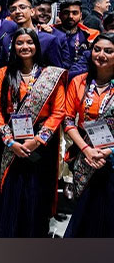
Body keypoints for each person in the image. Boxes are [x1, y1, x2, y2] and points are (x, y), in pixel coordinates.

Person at [0, 28, 66, 237]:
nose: (25, 47)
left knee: (36, 194)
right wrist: (8, 140)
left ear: (36, 46)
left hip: (41, 143)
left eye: (29, 43)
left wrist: (37, 140)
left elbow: (58, 111)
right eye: (19, 43)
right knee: (11, 194)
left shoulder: (50, 74)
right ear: (13, 47)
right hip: (11, 140)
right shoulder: (4, 73)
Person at [63, 33, 114, 237]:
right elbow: (68, 120)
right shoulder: (79, 82)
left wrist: (108, 151)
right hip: (86, 157)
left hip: (110, 159)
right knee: (86, 214)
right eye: (97, 49)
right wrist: (86, 150)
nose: (101, 55)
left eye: (108, 51)